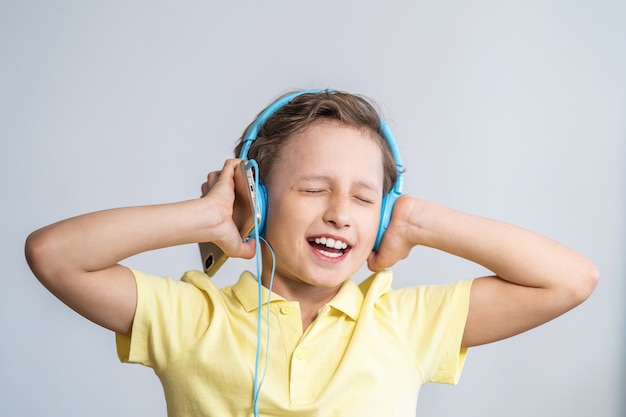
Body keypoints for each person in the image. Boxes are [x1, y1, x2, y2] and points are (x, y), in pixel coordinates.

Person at [25, 89, 598, 417]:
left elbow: (570, 280)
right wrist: (206, 217)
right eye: (313, 189)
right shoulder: (191, 317)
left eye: (365, 197)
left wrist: (418, 220)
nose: (341, 213)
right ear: (259, 194)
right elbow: (54, 254)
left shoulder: (404, 323)